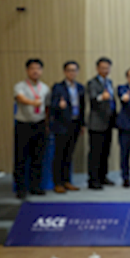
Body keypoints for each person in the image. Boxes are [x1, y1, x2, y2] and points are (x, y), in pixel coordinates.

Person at [13, 59, 51, 199]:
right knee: (21, 158)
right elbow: (20, 98)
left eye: (38, 68)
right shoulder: (20, 86)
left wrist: (47, 125)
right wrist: (32, 102)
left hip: (39, 124)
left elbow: (47, 108)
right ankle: (21, 189)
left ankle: (35, 187)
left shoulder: (45, 88)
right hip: (23, 125)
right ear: (27, 70)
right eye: (32, 68)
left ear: (41, 71)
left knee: (38, 157)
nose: (35, 71)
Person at [49, 61, 85, 193]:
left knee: (69, 155)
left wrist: (82, 124)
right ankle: (57, 183)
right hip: (62, 125)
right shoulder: (58, 87)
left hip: (75, 124)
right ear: (65, 72)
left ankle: (67, 181)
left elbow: (82, 107)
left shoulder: (80, 87)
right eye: (69, 70)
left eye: (74, 70)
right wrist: (59, 105)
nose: (72, 73)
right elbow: (51, 105)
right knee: (59, 155)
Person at [87, 57, 117, 190]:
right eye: (103, 67)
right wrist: (101, 97)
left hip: (108, 121)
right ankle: (93, 180)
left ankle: (102, 176)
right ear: (97, 68)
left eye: (107, 68)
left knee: (106, 151)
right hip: (96, 123)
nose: (105, 70)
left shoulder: (109, 82)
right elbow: (93, 99)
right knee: (95, 152)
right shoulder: (92, 83)